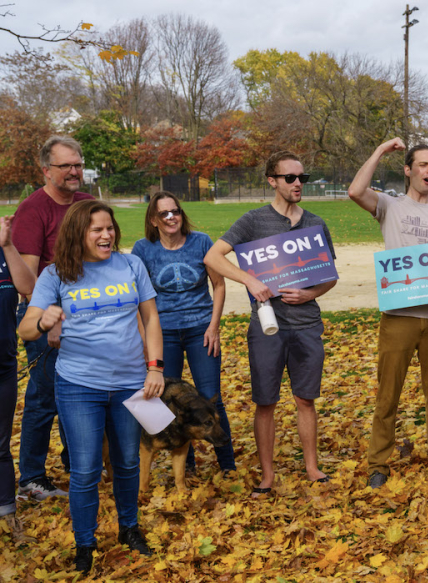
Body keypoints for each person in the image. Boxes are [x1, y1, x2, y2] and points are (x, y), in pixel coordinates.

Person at [19, 200, 161, 572]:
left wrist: (155, 368)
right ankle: (85, 544)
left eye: (109, 227)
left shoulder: (131, 264)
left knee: (128, 462)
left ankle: (129, 528)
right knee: (84, 469)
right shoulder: (56, 275)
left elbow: (150, 317)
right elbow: (26, 327)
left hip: (132, 382)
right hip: (79, 385)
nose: (106, 235)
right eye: (96, 229)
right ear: (77, 233)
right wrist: (45, 321)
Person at [204, 151, 337, 496]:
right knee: (266, 401)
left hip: (307, 323)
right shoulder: (252, 221)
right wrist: (249, 280)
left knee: (305, 399)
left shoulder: (315, 223)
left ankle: (312, 467)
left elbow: (329, 277)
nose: (297, 184)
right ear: (272, 181)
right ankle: (267, 475)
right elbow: (213, 256)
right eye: (290, 178)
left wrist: (310, 295)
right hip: (267, 326)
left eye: (302, 178)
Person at [347, 139, 428, 485]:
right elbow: (356, 190)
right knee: (388, 395)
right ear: (408, 169)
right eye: (422, 165)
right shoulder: (390, 205)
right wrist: (381, 150)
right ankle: (378, 465)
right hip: (399, 315)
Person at [12, 136, 95, 501]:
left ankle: (78, 464)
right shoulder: (33, 210)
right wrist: (50, 320)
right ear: (47, 170)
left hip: (89, 312)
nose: (75, 171)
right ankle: (31, 477)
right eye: (66, 166)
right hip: (46, 316)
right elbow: (27, 281)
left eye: (78, 164)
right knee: (44, 397)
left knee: (81, 393)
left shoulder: (88, 204)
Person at [132, 192, 235, 475]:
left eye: (175, 211)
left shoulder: (201, 241)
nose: (171, 217)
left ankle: (227, 464)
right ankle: (186, 467)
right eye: (163, 213)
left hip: (200, 329)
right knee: (169, 401)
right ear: (153, 220)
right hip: (163, 333)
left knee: (211, 396)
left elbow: (219, 285)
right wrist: (145, 342)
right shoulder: (143, 249)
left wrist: (213, 326)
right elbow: (139, 299)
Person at [0, 216, 37, 543]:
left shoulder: (4, 252)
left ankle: (9, 519)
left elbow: (30, 289)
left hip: (3, 367)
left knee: (0, 446)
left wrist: (8, 244)